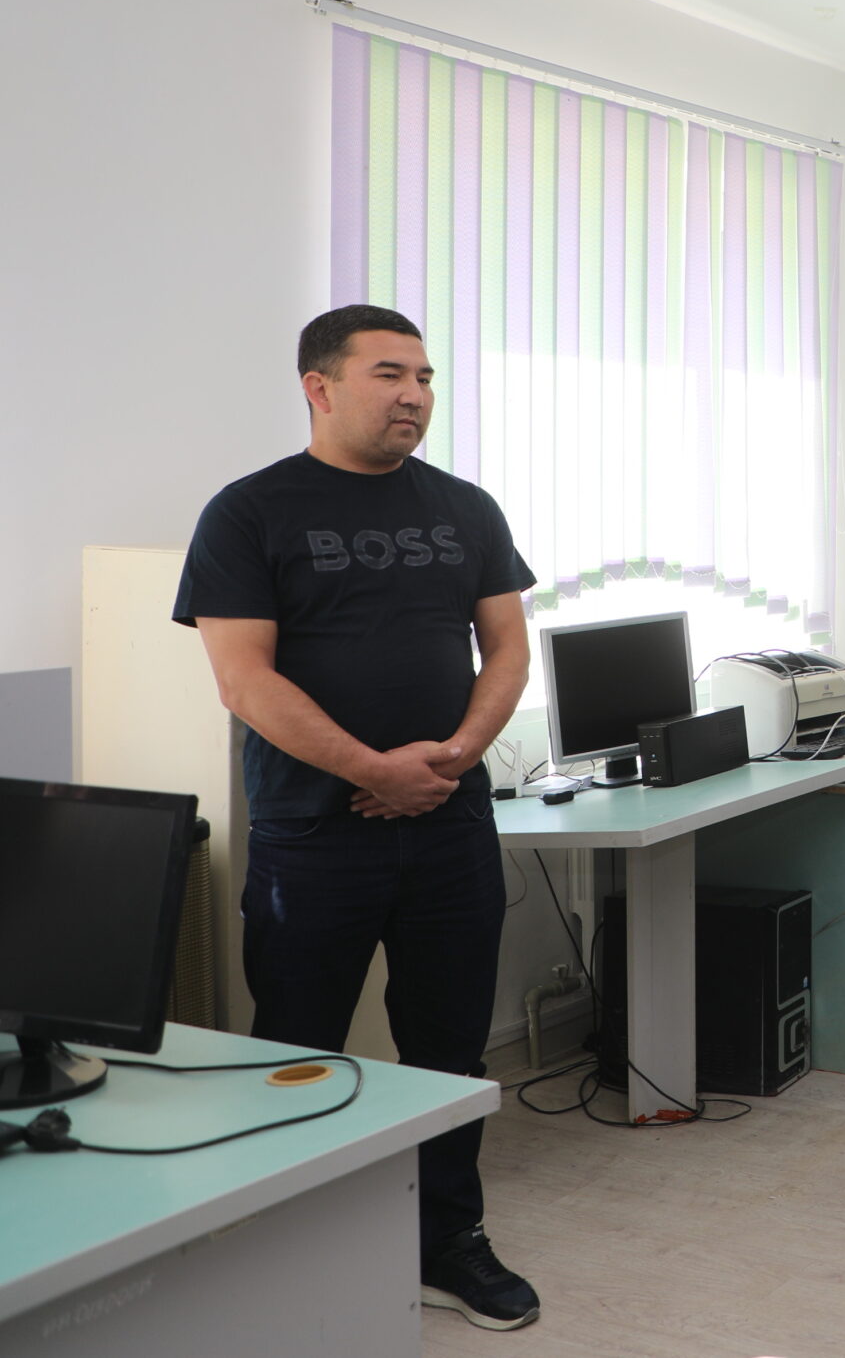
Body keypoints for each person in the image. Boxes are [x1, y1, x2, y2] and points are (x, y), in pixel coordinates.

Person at [175, 305, 540, 1331]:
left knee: (450, 1052)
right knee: (296, 1052)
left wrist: (448, 761)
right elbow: (244, 681)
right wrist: (373, 769)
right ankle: (291, 1247)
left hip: (450, 828)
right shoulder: (249, 512)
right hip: (312, 837)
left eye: (425, 377)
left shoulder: (465, 508)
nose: (415, 395)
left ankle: (448, 1239)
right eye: (390, 374)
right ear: (320, 385)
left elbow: (509, 650)